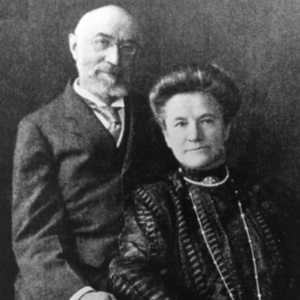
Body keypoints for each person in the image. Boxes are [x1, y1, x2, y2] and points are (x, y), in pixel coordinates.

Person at [12, 5, 167, 300]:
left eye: (128, 47)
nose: (115, 59)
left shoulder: (154, 116)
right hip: (71, 284)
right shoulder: (39, 127)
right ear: (74, 46)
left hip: (147, 283)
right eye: (102, 43)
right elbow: (33, 237)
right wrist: (80, 294)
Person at [109, 65, 300, 300]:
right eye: (180, 124)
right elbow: (128, 270)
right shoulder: (155, 201)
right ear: (167, 136)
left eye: (206, 121)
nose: (194, 136)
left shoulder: (270, 194)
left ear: (226, 128)